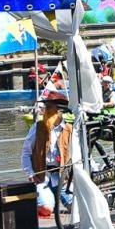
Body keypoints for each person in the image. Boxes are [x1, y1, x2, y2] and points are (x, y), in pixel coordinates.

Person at [23, 86, 72, 219]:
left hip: (63, 178)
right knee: (46, 208)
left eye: (50, 108)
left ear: (59, 111)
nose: (46, 111)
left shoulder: (69, 129)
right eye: (46, 107)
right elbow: (26, 152)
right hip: (42, 177)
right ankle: (40, 201)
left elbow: (76, 155)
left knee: (76, 208)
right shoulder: (37, 127)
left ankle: (56, 197)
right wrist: (30, 173)